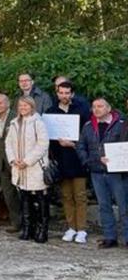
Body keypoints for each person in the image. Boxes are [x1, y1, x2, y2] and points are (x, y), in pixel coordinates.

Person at [77, 98, 128, 249]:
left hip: (118, 173)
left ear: (108, 108)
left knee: (124, 206)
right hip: (97, 172)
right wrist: (91, 161)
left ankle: (127, 237)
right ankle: (110, 237)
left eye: (100, 106)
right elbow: (81, 147)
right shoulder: (88, 126)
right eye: (94, 107)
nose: (96, 109)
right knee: (104, 206)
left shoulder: (122, 125)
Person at [46, 81, 90, 244]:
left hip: (78, 159)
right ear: (57, 93)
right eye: (61, 93)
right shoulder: (51, 112)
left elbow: (87, 136)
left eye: (67, 93)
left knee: (80, 195)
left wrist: (74, 144)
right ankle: (71, 227)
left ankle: (82, 229)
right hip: (61, 159)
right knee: (66, 195)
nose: (64, 96)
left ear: (72, 94)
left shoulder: (81, 110)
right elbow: (48, 138)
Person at [5, 96, 50, 243]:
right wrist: (13, 160)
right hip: (19, 167)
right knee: (24, 198)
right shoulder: (13, 124)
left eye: (26, 105)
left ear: (32, 106)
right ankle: (27, 228)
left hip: (34, 167)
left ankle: (42, 230)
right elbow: (8, 143)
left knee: (40, 199)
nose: (23, 108)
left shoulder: (38, 122)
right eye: (20, 105)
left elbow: (43, 144)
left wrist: (27, 161)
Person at [0, 91, 20, 233]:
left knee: (21, 194)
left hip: (16, 162)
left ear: (7, 103)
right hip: (2, 163)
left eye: (0, 103)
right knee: (9, 195)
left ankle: (28, 223)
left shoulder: (16, 117)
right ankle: (16, 223)